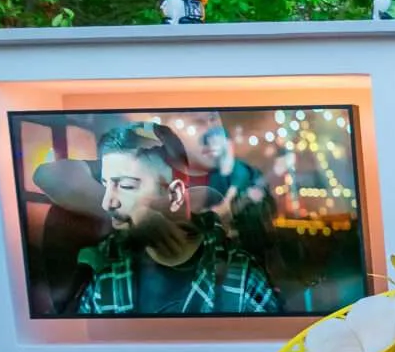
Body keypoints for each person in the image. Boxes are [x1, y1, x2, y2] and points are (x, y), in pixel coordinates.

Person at [76, 121, 279, 315]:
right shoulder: (107, 270)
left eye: (127, 186)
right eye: (105, 185)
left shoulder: (240, 280)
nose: (107, 203)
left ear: (175, 195)